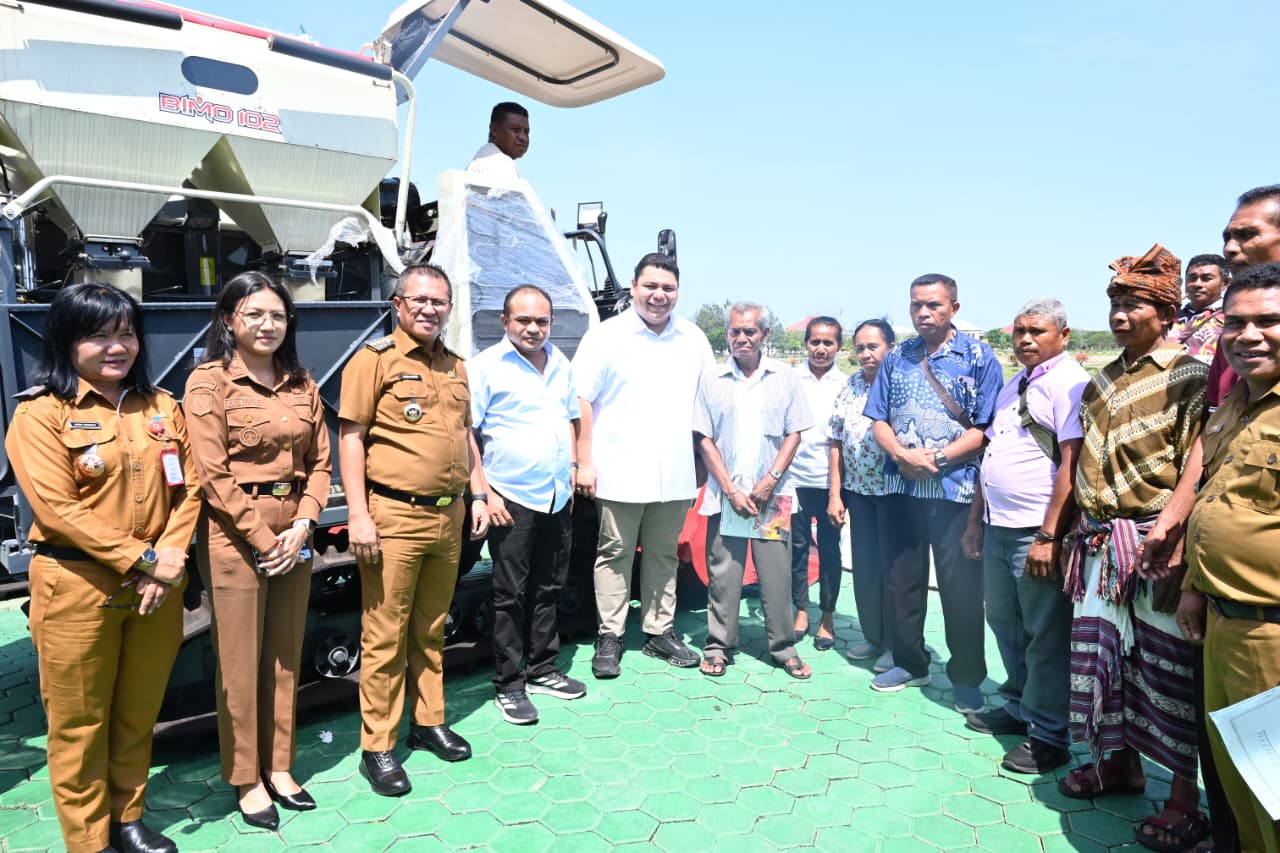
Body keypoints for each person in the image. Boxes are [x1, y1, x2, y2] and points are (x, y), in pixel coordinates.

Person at [5, 283, 201, 853]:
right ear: (67, 341)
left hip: (154, 589)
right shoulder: (40, 414)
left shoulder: (162, 407)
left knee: (137, 711)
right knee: (78, 726)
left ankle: (127, 817)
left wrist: (168, 558)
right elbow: (58, 510)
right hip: (77, 586)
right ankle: (90, 842)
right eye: (99, 335)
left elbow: (190, 491)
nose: (117, 347)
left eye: (126, 333)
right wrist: (145, 559)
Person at [1056, 245, 1211, 853]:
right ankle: (1118, 766)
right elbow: (1079, 463)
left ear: (1166, 313)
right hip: (1098, 544)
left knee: (1167, 670)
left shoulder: (1189, 376)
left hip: (1154, 543)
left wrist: (1175, 544)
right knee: (1102, 661)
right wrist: (1071, 530)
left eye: (1135, 305)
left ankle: (1181, 797)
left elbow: (1198, 472)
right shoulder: (1102, 378)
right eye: (1116, 304)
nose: (1121, 315)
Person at [184, 272, 332, 829]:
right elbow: (212, 475)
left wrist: (304, 523)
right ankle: (246, 778)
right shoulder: (209, 383)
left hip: (295, 527)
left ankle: (281, 765)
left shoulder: (301, 382)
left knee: (285, 656)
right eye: (254, 314)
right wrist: (267, 539)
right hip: (235, 533)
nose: (267, 325)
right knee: (240, 664)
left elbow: (321, 462)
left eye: (277, 315)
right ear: (229, 321)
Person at [338, 263, 490, 797]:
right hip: (394, 517)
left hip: (448, 516)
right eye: (419, 299)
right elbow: (351, 438)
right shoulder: (373, 360)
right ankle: (377, 746)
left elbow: (465, 435)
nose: (430, 309)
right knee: (383, 635)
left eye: (440, 301)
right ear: (398, 304)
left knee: (432, 627)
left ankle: (428, 722)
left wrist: (478, 493)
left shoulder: (456, 367)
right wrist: (358, 513)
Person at [959, 299, 1088, 774]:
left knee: (1045, 635)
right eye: (1019, 332)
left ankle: (1051, 735)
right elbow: (990, 456)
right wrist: (976, 520)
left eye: (1037, 331)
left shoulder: (1068, 383)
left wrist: (1050, 535)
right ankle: (1018, 705)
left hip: (1036, 530)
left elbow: (1071, 465)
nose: (1025, 340)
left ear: (1064, 335)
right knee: (1005, 623)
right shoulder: (1016, 383)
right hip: (999, 525)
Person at [863, 274, 1002, 714]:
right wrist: (902, 454)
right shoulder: (897, 356)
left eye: (934, 306)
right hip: (901, 486)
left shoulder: (979, 356)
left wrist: (937, 460)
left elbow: (985, 428)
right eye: (916, 305)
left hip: (955, 490)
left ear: (954, 308)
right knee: (902, 580)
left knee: (961, 589)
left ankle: (966, 677)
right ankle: (910, 661)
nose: (924, 313)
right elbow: (878, 419)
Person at [573, 252, 715, 678]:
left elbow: (708, 402)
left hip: (675, 469)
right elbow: (580, 399)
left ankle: (658, 631)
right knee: (614, 552)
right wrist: (583, 460)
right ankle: (611, 635)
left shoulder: (692, 338)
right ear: (633, 287)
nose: (659, 295)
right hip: (618, 468)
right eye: (650, 286)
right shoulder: (606, 336)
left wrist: (702, 459)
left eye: (668, 288)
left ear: (678, 292)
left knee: (663, 554)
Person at [1179, 261, 1280, 853]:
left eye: (1269, 321)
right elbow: (1216, 503)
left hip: (1270, 633)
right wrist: (1195, 583)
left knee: (1276, 801)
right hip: (1222, 624)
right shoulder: (1237, 403)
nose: (1248, 335)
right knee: (1242, 794)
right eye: (1236, 322)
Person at [468, 285, 585, 725]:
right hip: (510, 497)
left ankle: (542, 669)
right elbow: (469, 435)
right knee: (509, 595)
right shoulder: (485, 368)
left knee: (550, 586)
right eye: (524, 320)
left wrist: (572, 466)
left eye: (542, 321)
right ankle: (510, 683)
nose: (534, 329)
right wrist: (486, 493)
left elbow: (570, 418)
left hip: (556, 494)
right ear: (505, 322)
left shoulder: (560, 362)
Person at [693, 303, 813, 678]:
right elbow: (704, 437)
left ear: (764, 335)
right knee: (725, 574)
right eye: (735, 332)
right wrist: (730, 489)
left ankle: (782, 647)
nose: (742, 339)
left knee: (775, 574)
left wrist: (768, 482)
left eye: (750, 332)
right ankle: (718, 647)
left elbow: (794, 433)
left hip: (771, 498)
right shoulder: (712, 378)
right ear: (727, 334)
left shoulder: (785, 377)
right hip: (726, 496)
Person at [829, 319, 897, 672]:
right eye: (860, 347)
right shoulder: (851, 385)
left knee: (893, 571)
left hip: (894, 495)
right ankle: (874, 635)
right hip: (858, 493)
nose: (867, 353)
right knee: (866, 569)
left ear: (890, 347)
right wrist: (835, 494)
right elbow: (836, 441)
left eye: (874, 346)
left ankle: (899, 644)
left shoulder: (901, 383)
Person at [788, 316, 847, 650]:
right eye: (815, 342)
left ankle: (827, 616)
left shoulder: (847, 383)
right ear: (806, 344)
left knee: (829, 550)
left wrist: (837, 492)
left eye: (828, 343)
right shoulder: (791, 379)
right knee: (795, 549)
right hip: (793, 480)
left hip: (831, 484)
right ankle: (801, 608)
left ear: (839, 346)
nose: (821, 349)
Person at [1207, 185, 1280, 407]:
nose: (1228, 248)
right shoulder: (1235, 329)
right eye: (1227, 237)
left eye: (1247, 235)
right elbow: (1211, 419)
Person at [1168, 254, 1229, 363]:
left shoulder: (1232, 317)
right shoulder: (1169, 316)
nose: (1197, 284)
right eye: (1192, 278)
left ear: (1225, 283)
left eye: (1206, 279)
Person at [466, 101, 529, 181]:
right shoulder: (499, 161)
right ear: (494, 130)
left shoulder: (484, 158)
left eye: (526, 132)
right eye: (515, 130)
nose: (523, 137)